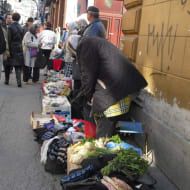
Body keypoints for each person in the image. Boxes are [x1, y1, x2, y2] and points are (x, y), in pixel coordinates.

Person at [68, 36, 148, 138]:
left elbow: (88, 76)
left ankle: (102, 144)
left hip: (120, 87)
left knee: (102, 114)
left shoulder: (84, 46)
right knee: (111, 116)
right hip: (128, 85)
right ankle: (135, 129)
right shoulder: (92, 41)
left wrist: (88, 97)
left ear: (73, 49)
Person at [7, 13, 24, 87]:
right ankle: (19, 82)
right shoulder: (21, 27)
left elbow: (8, 39)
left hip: (12, 47)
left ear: (13, 18)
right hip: (19, 47)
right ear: (19, 18)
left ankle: (6, 80)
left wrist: (8, 49)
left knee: (7, 64)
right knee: (18, 65)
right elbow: (22, 38)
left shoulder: (10, 27)